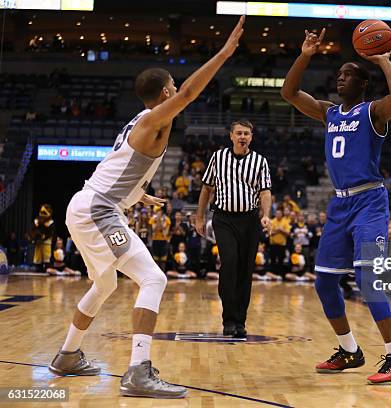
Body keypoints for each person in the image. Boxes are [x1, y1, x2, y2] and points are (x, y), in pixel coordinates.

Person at [48, 17, 245, 399]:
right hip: (98, 210)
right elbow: (188, 94)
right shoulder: (154, 119)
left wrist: (140, 194)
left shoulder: (139, 122)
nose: (176, 90)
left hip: (92, 203)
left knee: (104, 284)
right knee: (154, 279)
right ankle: (138, 371)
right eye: (172, 86)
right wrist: (224, 52)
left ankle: (67, 355)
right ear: (165, 91)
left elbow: (118, 168)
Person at [281, 28, 391, 384]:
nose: (339, 80)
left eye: (347, 76)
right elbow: (289, 93)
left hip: (370, 202)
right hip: (339, 207)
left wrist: (384, 59)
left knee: (369, 280)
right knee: (324, 284)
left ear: (362, 84)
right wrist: (306, 54)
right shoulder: (329, 113)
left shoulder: (373, 112)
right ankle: (350, 350)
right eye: (338, 75)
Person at [195, 120, 272, 338]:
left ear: (251, 137)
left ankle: (240, 320)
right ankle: (228, 319)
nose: (243, 137)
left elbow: (265, 192)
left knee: (245, 271)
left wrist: (266, 215)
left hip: (249, 220)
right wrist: (199, 217)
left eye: (247, 133)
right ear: (231, 136)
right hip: (224, 218)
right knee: (229, 263)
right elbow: (206, 188)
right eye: (239, 133)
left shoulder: (260, 161)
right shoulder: (218, 158)